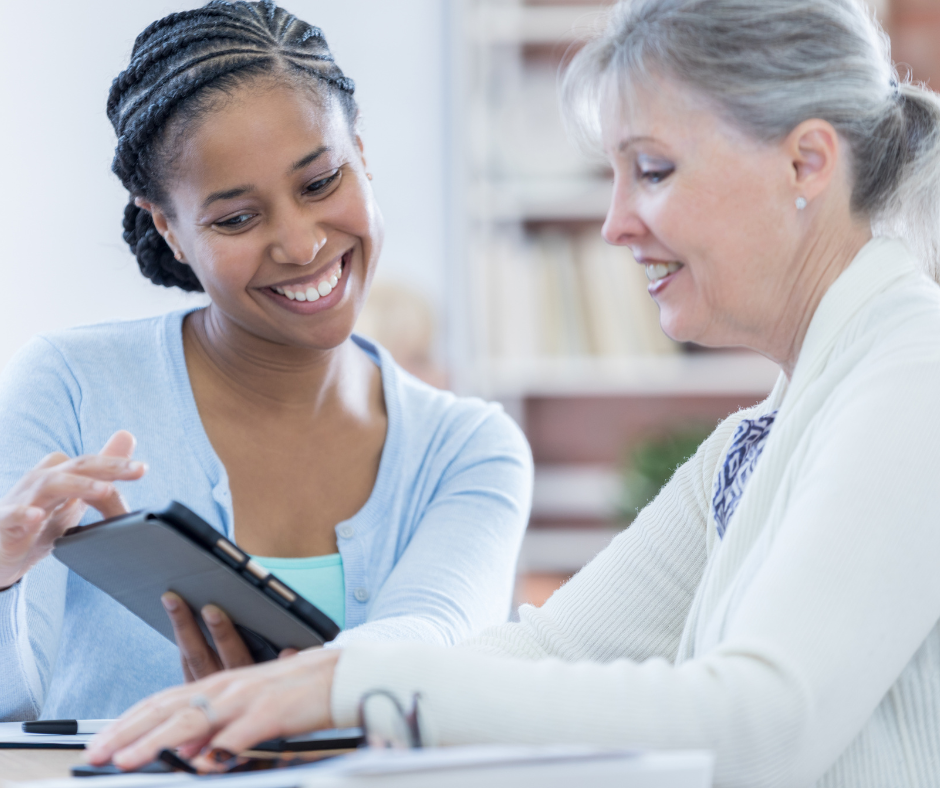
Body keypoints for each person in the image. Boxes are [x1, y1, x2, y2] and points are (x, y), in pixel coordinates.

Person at [89, 0, 940, 785]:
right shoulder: (771, 426)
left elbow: (761, 721)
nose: (614, 224)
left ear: (806, 160)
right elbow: (554, 649)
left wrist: (353, 686)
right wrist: (303, 689)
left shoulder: (913, 375)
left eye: (651, 170)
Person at [0, 0, 532, 722]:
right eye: (237, 218)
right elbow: (12, 711)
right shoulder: (71, 386)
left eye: (320, 183)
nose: (301, 244)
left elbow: (430, 649)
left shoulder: (471, 449)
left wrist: (278, 692)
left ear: (363, 160)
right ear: (171, 229)